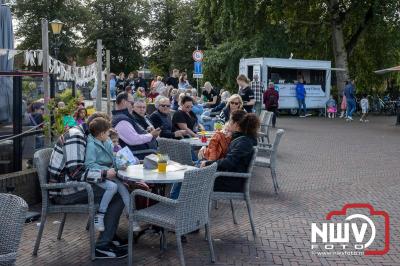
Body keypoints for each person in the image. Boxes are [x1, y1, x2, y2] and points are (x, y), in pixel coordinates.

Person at [48, 112, 128, 259]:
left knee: (118, 187)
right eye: (106, 132)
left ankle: (109, 235)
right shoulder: (76, 137)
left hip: (72, 184)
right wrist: (104, 174)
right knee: (116, 195)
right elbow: (76, 172)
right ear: (99, 129)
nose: (107, 135)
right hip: (63, 190)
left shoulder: (87, 135)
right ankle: (102, 246)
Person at [84, 117, 139, 232]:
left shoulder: (106, 140)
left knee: (124, 191)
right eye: (108, 131)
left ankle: (132, 219)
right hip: (99, 175)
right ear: (102, 133)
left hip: (110, 173)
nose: (109, 133)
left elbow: (113, 157)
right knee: (112, 187)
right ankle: (100, 216)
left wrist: (121, 163)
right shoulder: (91, 146)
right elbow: (89, 165)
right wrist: (106, 170)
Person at [201, 110, 259, 192]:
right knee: (193, 172)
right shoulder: (243, 139)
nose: (228, 122)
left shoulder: (243, 142)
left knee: (189, 178)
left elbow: (228, 162)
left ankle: (184, 203)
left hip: (230, 182)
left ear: (236, 124)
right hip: (229, 178)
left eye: (230, 120)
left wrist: (207, 163)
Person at [112, 92, 160, 160]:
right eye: (132, 103)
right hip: (140, 155)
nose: (133, 105)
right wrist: (151, 135)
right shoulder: (121, 120)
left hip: (145, 152)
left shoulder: (123, 117)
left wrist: (147, 132)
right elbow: (133, 140)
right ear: (124, 102)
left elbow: (133, 135)